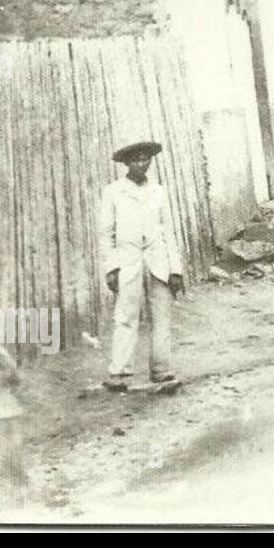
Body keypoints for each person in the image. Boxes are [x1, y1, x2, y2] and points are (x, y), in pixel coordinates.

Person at [100, 141, 184, 392]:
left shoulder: (158, 191)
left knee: (161, 317)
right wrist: (111, 267)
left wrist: (175, 269)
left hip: (158, 260)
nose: (142, 163)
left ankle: (161, 370)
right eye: (136, 159)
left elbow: (168, 230)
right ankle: (119, 372)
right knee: (126, 316)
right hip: (128, 261)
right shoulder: (113, 191)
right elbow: (106, 233)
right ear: (126, 163)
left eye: (146, 158)